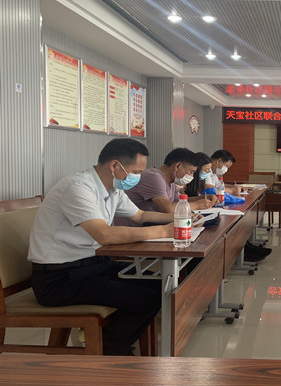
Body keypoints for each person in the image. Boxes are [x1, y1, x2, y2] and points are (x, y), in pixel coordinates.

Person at [28, 138, 174, 355]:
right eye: (136, 172)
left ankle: (110, 342)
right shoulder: (78, 188)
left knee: (158, 285)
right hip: (59, 279)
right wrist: (163, 232)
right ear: (115, 165)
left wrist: (179, 218)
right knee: (145, 298)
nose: (137, 178)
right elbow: (104, 234)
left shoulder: (113, 189)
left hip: (92, 266)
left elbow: (140, 215)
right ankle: (109, 349)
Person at [115, 148, 215, 226]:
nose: (192, 176)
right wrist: (197, 205)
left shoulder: (171, 181)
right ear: (178, 166)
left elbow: (182, 201)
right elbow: (169, 209)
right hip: (135, 229)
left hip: (152, 227)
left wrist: (202, 198)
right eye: (191, 172)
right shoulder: (153, 177)